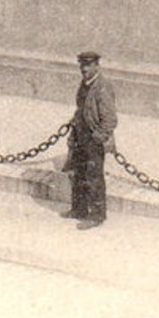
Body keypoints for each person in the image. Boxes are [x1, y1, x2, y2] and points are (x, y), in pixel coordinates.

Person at [64, 51, 116, 229]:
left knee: (94, 177)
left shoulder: (103, 86)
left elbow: (110, 120)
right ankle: (79, 210)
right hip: (80, 136)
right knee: (78, 174)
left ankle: (97, 216)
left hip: (93, 139)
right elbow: (80, 110)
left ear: (96, 66)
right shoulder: (84, 85)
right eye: (82, 66)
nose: (84, 69)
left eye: (88, 66)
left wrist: (98, 138)